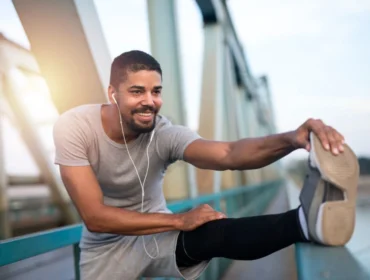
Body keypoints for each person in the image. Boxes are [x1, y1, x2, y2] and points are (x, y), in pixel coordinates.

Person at [53, 50, 359, 280]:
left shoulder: (164, 134)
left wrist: (293, 138)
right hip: (106, 250)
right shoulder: (75, 127)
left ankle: (307, 224)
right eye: (136, 91)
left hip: (156, 237)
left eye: (156, 91)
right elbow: (95, 217)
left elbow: (228, 153)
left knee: (214, 234)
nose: (149, 101)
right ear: (112, 93)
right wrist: (178, 220)